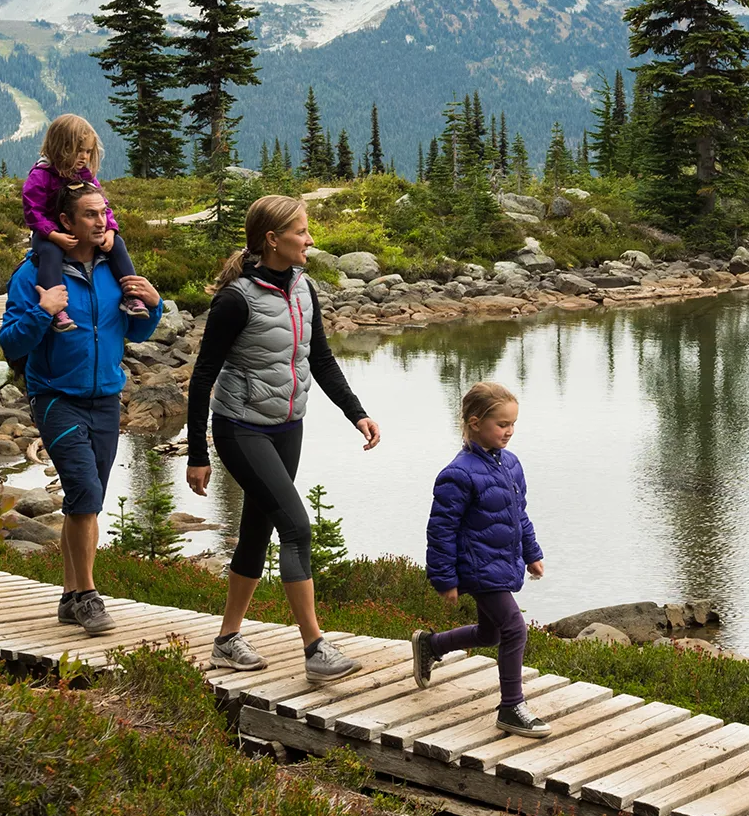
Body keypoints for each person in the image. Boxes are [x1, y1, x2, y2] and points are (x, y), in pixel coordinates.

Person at [186, 194, 381, 683]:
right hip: (239, 426)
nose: (310, 241)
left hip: (287, 426)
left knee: (259, 528)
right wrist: (196, 452)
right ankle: (315, 647)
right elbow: (203, 375)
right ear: (272, 239)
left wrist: (356, 413)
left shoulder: (303, 288)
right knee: (297, 526)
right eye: (301, 232)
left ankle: (227, 639)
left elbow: (320, 359)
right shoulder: (235, 299)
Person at [0, 182, 163, 635]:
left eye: (104, 212)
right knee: (86, 493)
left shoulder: (114, 269)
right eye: (90, 214)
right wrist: (41, 310)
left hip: (106, 399)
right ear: (66, 223)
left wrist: (153, 306)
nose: (101, 220)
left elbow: (140, 333)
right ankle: (89, 597)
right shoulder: (34, 273)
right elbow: (10, 342)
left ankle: (70, 597)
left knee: (84, 500)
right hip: (55, 397)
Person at [412, 382, 551, 738]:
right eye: (502, 424)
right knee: (514, 628)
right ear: (475, 423)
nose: (509, 431)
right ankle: (510, 707)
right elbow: (440, 530)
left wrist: (532, 554)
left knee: (491, 633)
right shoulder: (457, 474)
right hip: (476, 566)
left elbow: (519, 515)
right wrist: (444, 579)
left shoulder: (510, 465)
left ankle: (431, 645)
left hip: (502, 562)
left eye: (513, 424)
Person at [22, 113, 148, 334]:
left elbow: (103, 205)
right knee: (51, 253)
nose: (83, 157)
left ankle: (132, 295)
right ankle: (56, 310)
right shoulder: (40, 175)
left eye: (88, 151)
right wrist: (53, 234)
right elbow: (33, 212)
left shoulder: (85, 176)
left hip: (77, 231)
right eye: (77, 150)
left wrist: (110, 229)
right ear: (59, 147)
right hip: (48, 235)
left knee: (116, 244)